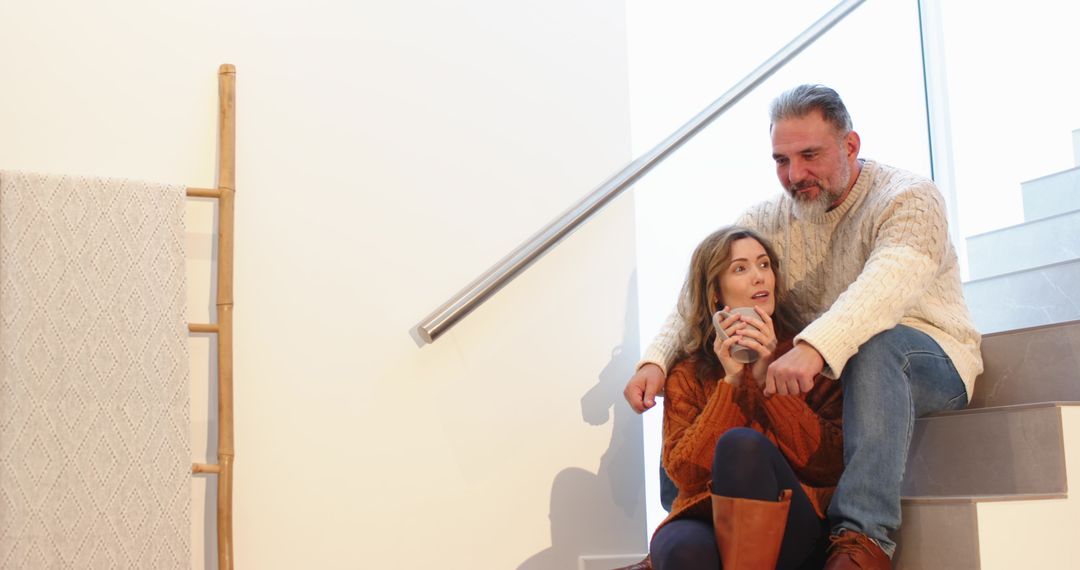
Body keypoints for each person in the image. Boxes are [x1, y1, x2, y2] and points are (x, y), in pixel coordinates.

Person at [624, 84, 983, 570]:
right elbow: (701, 289)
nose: (795, 175)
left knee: (876, 347)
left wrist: (811, 349)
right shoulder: (768, 218)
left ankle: (864, 535)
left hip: (926, 354)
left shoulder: (910, 198)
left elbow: (882, 292)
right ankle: (689, 529)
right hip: (829, 360)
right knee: (692, 375)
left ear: (850, 146)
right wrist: (656, 360)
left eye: (809, 155)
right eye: (781, 160)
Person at [646, 226, 842, 570]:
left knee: (742, 445)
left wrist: (767, 379)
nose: (758, 278)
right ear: (715, 294)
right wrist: (733, 382)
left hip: (792, 515)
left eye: (764, 265)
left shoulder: (807, 356)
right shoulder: (687, 371)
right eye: (741, 268)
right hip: (706, 511)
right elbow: (684, 475)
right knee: (682, 551)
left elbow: (828, 464)